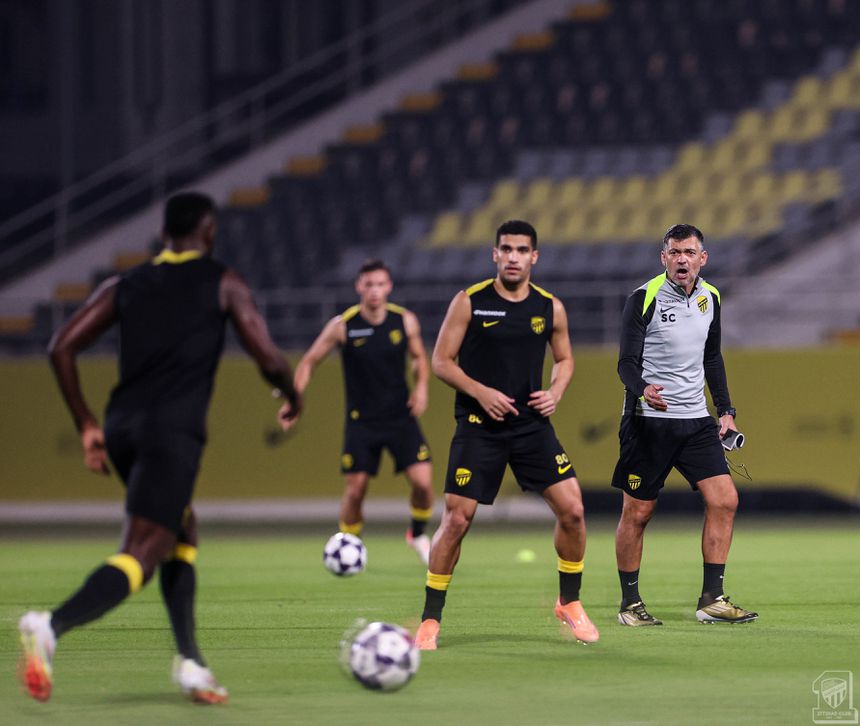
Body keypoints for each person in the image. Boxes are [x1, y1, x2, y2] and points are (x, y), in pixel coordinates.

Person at [18, 191, 301, 704]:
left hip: (122, 428)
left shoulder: (125, 283)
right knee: (143, 551)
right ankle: (51, 626)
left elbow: (61, 346)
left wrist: (86, 424)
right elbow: (267, 356)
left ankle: (191, 663)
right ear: (209, 231)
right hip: (172, 433)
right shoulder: (223, 281)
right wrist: (292, 392)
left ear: (164, 233)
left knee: (180, 528)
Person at [414, 219, 599, 650]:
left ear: (534, 256)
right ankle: (430, 619)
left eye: (521, 250)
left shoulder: (550, 307)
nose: (513, 257)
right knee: (456, 520)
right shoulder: (470, 301)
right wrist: (481, 392)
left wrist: (555, 391)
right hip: (479, 428)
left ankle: (569, 602)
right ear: (495, 254)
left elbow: (565, 359)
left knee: (573, 510)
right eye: (506, 249)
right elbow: (441, 361)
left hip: (531, 427)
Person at [611, 223, 758, 626]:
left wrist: (725, 410)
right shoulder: (643, 298)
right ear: (664, 258)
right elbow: (625, 363)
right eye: (674, 252)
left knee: (725, 499)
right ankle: (630, 605)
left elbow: (712, 357)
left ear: (702, 259)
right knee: (638, 513)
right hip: (648, 422)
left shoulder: (711, 297)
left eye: (689, 253)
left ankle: (712, 599)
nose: (681, 259)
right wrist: (643, 390)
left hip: (695, 422)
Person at [283, 259, 434, 563]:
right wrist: (294, 398)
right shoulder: (343, 326)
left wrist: (421, 387)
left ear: (389, 287)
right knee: (355, 491)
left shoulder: (405, 321)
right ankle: (349, 545)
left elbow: (419, 358)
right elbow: (309, 361)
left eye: (380, 284)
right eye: (369, 284)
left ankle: (417, 534)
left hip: (400, 418)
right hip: (361, 422)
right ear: (359, 287)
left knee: (423, 483)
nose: (374, 290)